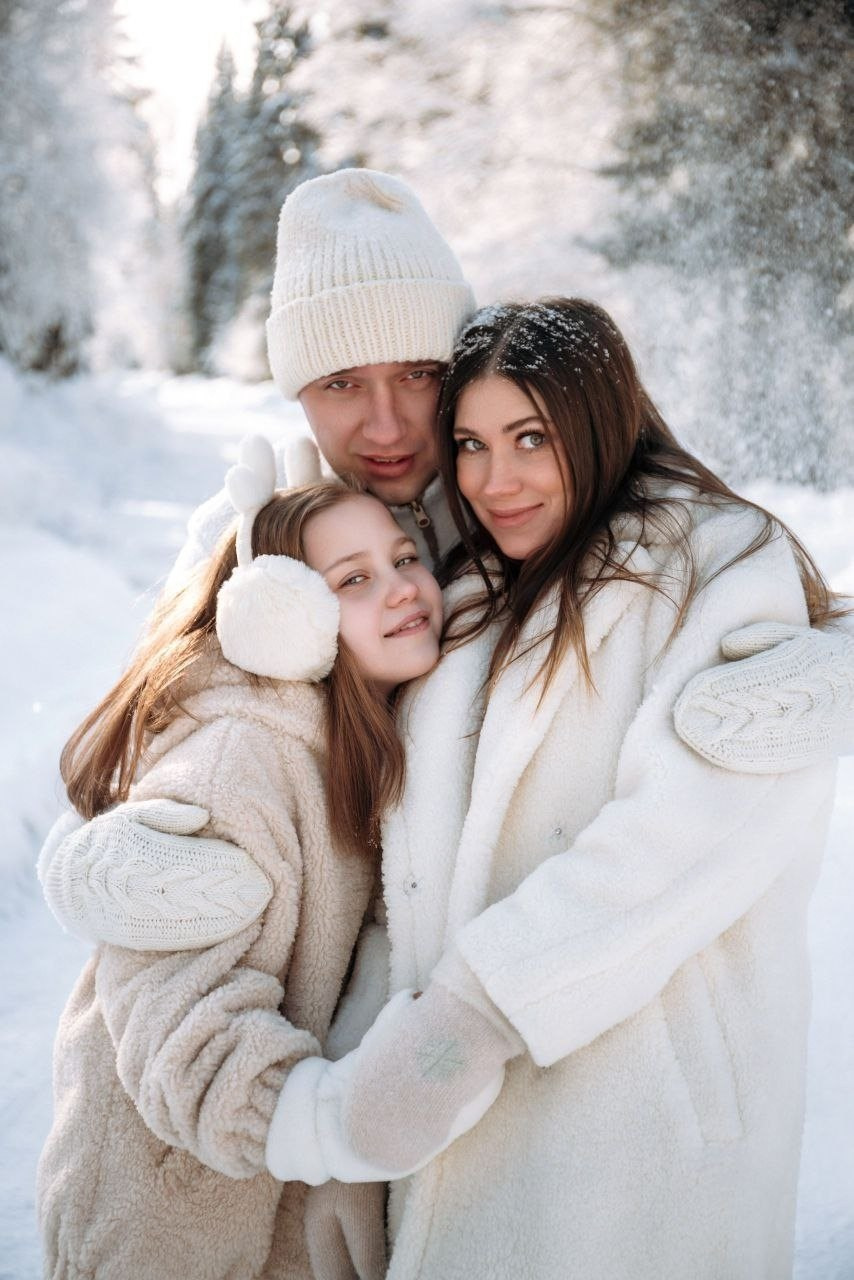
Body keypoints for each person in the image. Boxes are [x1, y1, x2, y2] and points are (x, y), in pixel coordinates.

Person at [38, 169, 854, 944]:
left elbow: (691, 549)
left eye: (417, 375)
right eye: (341, 383)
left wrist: (826, 664)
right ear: (296, 390)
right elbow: (167, 720)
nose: (386, 425)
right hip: (328, 972)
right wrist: (102, 862)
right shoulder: (261, 533)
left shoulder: (520, 504)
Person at [255, 298, 847, 1278]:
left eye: (530, 436)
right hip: (460, 1127)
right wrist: (362, 1114)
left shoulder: (719, 565)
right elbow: (408, 885)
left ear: (597, 417)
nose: (495, 480)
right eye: (472, 444)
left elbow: (687, 834)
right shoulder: (473, 595)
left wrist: (470, 1017)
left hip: (642, 1141)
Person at [37, 440, 461, 1280]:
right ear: (284, 619)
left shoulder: (354, 735)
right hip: (163, 1228)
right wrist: (331, 1121)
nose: (402, 587)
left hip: (261, 1216)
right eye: (353, 579)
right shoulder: (237, 763)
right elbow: (175, 1020)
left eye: (405, 557)